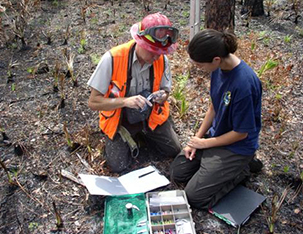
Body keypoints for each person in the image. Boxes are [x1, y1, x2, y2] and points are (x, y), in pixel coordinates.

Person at [170, 29, 262, 210]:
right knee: (177, 171)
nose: (198, 69)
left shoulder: (244, 84)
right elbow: (214, 106)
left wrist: (205, 144)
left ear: (216, 59)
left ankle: (240, 171)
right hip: (216, 139)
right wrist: (196, 141)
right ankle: (216, 169)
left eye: (199, 65)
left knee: (195, 197)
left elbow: (241, 134)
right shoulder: (219, 69)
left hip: (236, 148)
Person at [87, 13, 181, 173]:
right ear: (140, 42)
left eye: (161, 52)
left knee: (174, 150)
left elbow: (166, 92)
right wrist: (125, 101)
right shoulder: (112, 59)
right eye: (153, 51)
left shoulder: (162, 59)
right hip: (120, 120)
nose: (157, 56)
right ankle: (130, 137)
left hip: (151, 116)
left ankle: (145, 134)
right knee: (118, 166)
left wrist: (162, 97)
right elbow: (93, 102)